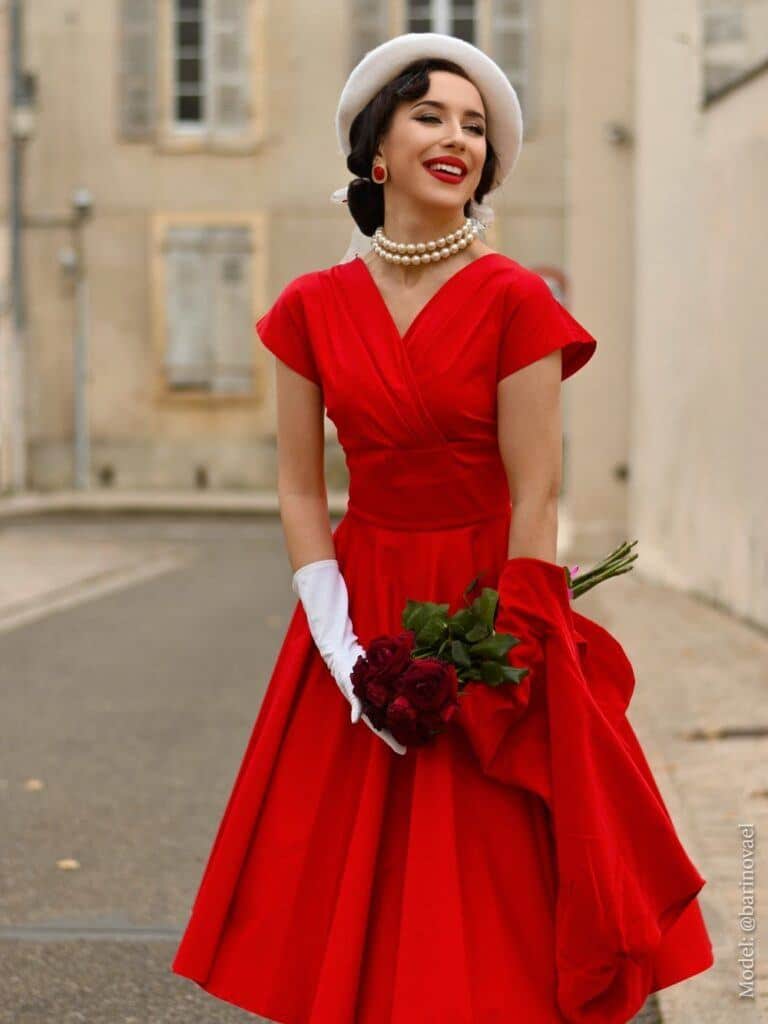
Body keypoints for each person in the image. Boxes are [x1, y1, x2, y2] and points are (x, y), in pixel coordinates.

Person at [170, 33, 714, 1023]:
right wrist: (342, 653)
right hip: (360, 602)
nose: (456, 136)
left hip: (489, 604)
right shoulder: (308, 308)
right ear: (377, 150)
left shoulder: (516, 301)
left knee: (489, 888)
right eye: (430, 115)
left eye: (476, 126)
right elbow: (300, 490)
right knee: (346, 886)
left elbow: (536, 496)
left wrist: (494, 654)